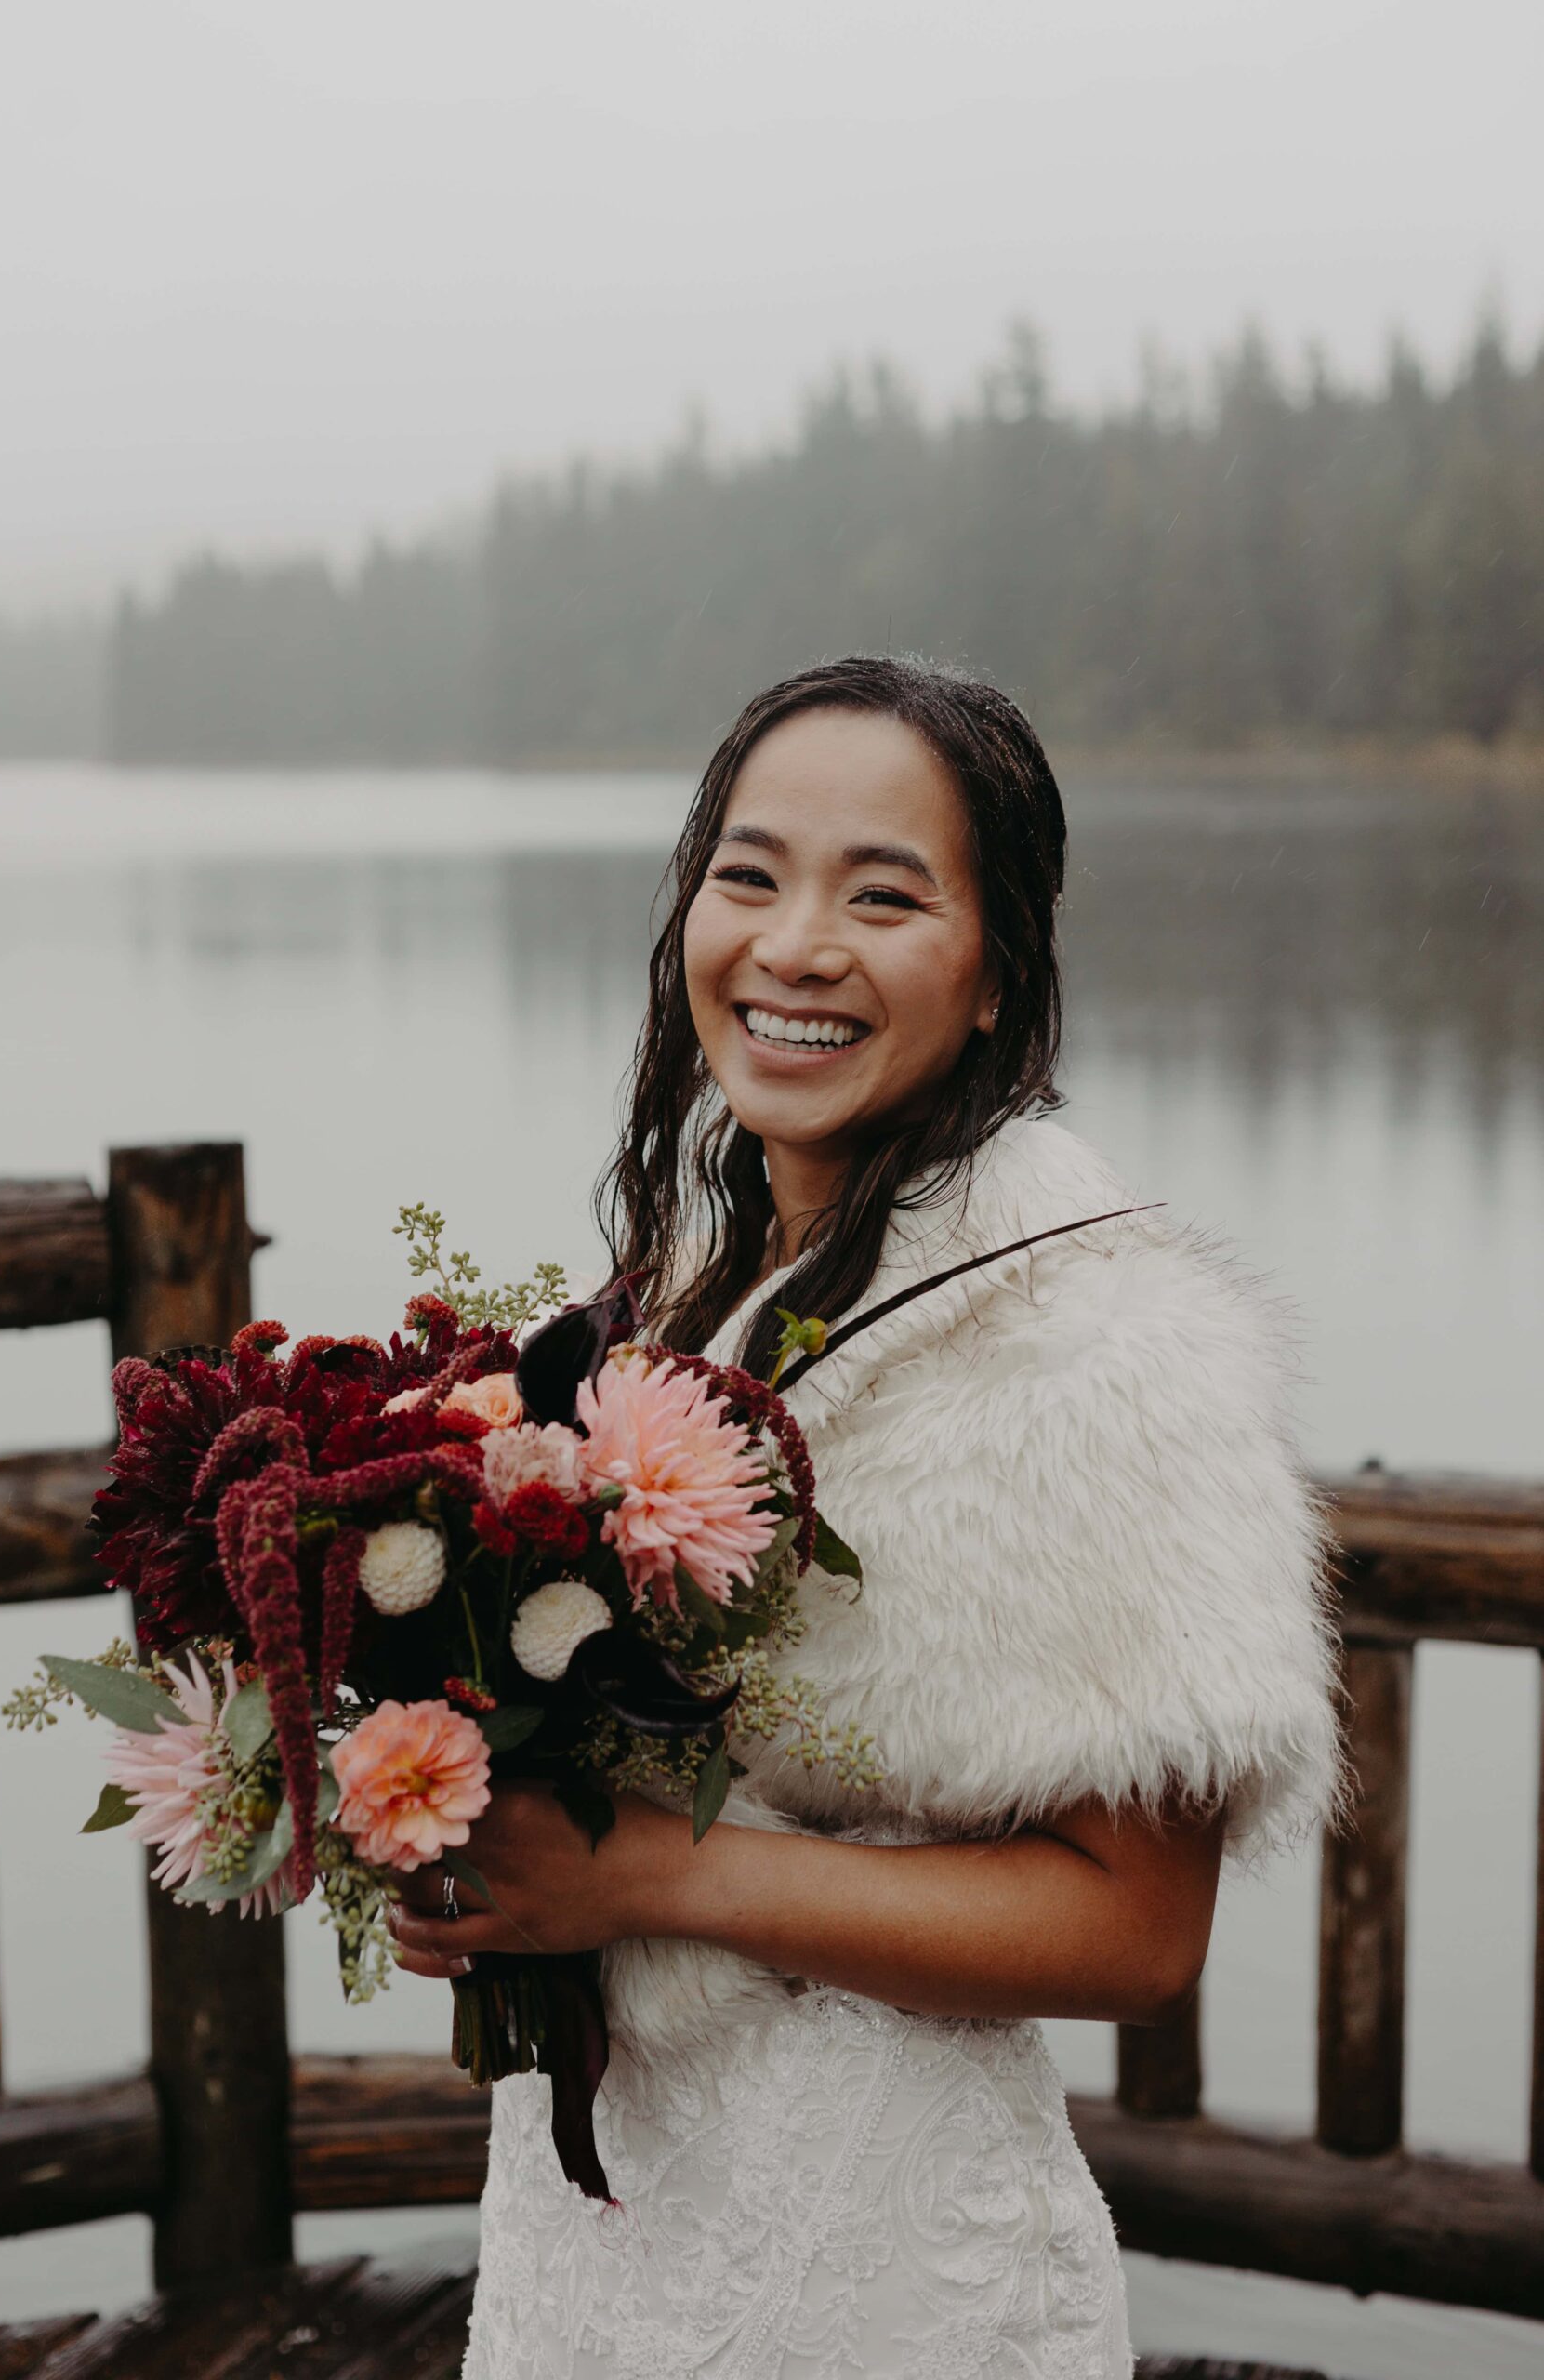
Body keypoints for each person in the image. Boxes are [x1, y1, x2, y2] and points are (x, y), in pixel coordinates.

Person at [390, 655, 1339, 2378]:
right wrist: (461, 1832)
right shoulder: (688, 1297)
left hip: (884, 2259)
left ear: (997, 975)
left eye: (883, 895)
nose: (795, 946)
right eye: (748, 875)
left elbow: (1136, 1931)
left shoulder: (1098, 1351)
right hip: (602, 2221)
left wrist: (656, 1876)